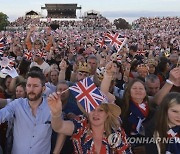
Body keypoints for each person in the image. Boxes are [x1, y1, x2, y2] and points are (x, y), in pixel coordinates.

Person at [47, 92, 132, 153]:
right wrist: (56, 113)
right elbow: (59, 127)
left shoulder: (116, 132)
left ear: (107, 114)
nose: (96, 114)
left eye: (100, 110)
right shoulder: (81, 125)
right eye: (92, 109)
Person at [0, 71, 52, 154]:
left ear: (43, 89)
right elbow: (3, 114)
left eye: (35, 86)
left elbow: (60, 129)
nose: (31, 89)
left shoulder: (51, 108)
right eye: (29, 85)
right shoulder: (17, 104)